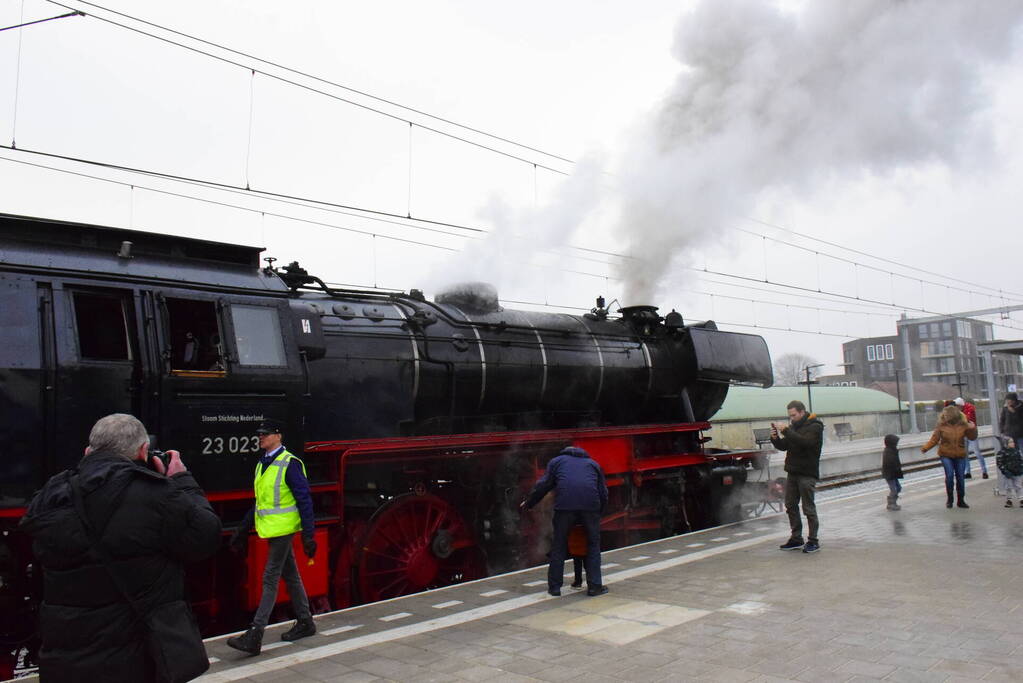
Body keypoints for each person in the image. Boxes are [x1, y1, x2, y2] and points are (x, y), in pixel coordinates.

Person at [19, 414, 222, 682]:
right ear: (142, 451)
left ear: (87, 452)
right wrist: (182, 480)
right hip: (133, 657)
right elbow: (206, 536)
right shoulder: (155, 494)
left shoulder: (50, 495)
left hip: (64, 659)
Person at [227, 419, 317, 655]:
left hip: (283, 529)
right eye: (260, 434)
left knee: (270, 578)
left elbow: (304, 499)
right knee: (291, 575)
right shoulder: (263, 464)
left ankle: (255, 634)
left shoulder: (290, 464)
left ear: (278, 436)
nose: (261, 437)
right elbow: (260, 502)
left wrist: (309, 534)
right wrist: (242, 529)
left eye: (266, 434)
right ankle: (306, 621)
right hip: (270, 528)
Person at [521, 446, 608, 597]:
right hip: (590, 507)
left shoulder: (557, 462)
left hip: (565, 508)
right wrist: (597, 514)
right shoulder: (593, 464)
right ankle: (595, 587)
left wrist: (529, 503)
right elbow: (603, 493)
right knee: (593, 545)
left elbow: (544, 485)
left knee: (559, 545)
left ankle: (554, 588)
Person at [770, 400, 824, 554]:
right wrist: (775, 439)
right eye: (790, 416)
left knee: (808, 508)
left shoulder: (815, 426)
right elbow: (785, 445)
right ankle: (796, 538)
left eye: (793, 415)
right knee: (790, 505)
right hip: (793, 472)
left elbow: (805, 443)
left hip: (807, 473)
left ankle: (813, 541)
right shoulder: (794, 427)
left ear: (802, 412)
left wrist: (786, 430)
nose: (791, 418)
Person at [921, 404, 978, 509]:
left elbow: (972, 437)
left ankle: (961, 500)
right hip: (946, 454)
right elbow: (934, 439)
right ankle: (950, 499)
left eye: (947, 414)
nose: (945, 416)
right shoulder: (941, 425)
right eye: (944, 414)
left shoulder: (963, 424)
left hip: (960, 454)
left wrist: (973, 428)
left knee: (960, 477)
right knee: (950, 475)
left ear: (952, 415)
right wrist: (925, 448)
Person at [955, 397, 986, 479]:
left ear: (960, 405)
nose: (956, 407)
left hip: (972, 434)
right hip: (964, 434)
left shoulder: (970, 409)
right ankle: (967, 472)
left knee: (977, 452)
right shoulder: (958, 412)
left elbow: (968, 420)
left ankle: (984, 471)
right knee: (965, 454)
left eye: (957, 406)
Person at [996, 437, 1023, 508]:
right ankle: (1009, 500)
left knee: (1018, 486)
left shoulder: (1017, 451)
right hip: (1008, 473)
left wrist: (1021, 468)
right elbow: (999, 463)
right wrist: (1005, 471)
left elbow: (1021, 460)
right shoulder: (1001, 453)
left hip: (1017, 472)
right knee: (1008, 487)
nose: (1013, 443)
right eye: (1010, 442)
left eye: (1013, 442)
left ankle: (1021, 499)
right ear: (1006, 444)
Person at [882, 434, 903, 511]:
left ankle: (893, 503)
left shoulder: (892, 450)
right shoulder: (888, 452)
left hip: (893, 474)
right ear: (892, 443)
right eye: (895, 442)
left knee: (898, 488)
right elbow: (890, 464)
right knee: (894, 489)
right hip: (890, 475)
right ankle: (891, 504)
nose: (897, 444)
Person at [568, 524, 588, 589]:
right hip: (584, 546)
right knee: (587, 565)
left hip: (575, 546)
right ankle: (591, 582)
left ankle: (578, 582)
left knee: (577, 565)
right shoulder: (586, 520)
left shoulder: (572, 520)